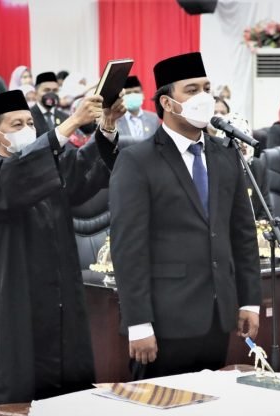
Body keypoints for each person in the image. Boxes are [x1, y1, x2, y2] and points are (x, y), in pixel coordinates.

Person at [0, 89, 125, 416]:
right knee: (13, 399)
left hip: (61, 301)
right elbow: (12, 186)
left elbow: (85, 175)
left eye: (29, 122)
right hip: (12, 304)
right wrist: (70, 123)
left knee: (72, 402)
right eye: (16, 124)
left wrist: (106, 126)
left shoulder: (49, 163)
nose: (26, 129)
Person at [109, 52, 261, 380]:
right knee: (161, 409)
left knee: (213, 407)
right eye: (191, 90)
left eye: (206, 88)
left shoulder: (225, 156)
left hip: (218, 315)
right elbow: (128, 249)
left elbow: (243, 233)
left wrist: (249, 301)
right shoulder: (138, 161)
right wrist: (138, 323)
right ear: (167, 102)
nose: (203, 97)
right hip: (165, 320)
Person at [215, 112, 271, 220]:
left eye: (244, 146)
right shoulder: (213, 165)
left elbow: (266, 210)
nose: (241, 149)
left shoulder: (257, 165)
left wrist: (259, 228)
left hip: (256, 227)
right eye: (237, 145)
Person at [115, 75, 160, 139]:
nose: (132, 95)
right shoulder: (115, 120)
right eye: (128, 93)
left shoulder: (154, 118)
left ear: (143, 94)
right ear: (122, 96)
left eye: (136, 92)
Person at [31, 72, 70, 136]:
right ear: (35, 94)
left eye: (55, 90)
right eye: (46, 90)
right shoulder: (28, 117)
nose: (51, 94)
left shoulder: (65, 117)